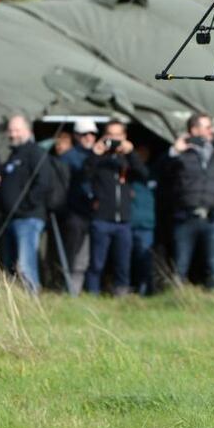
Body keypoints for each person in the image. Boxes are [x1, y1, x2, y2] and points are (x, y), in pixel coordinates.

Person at [167, 113, 214, 290]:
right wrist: (175, 152)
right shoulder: (182, 153)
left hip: (212, 215)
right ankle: (176, 297)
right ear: (194, 130)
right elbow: (164, 174)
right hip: (186, 215)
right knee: (181, 263)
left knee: (213, 264)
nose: (211, 131)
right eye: (207, 127)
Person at [83, 120, 148, 296]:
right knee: (97, 262)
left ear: (125, 137)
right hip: (101, 218)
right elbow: (85, 175)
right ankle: (92, 294)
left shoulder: (127, 159)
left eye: (118, 135)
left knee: (123, 263)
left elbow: (143, 175)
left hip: (124, 221)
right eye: (111, 135)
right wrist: (95, 154)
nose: (115, 139)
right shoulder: (99, 158)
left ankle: (121, 295)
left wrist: (131, 153)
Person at [0, 115, 50, 293]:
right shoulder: (14, 154)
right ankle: (14, 301)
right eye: (11, 130)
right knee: (11, 263)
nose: (13, 134)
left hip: (28, 218)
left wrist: (25, 206)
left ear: (28, 131)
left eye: (17, 130)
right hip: (11, 218)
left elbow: (44, 182)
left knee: (25, 263)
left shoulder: (35, 152)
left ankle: (32, 299)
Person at [59, 118, 99, 294]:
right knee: (71, 254)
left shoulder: (102, 155)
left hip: (95, 214)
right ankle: (66, 288)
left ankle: (78, 290)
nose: (89, 137)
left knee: (86, 257)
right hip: (75, 213)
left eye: (92, 134)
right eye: (84, 134)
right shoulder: (68, 157)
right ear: (76, 136)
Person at [130, 144, 158, 295]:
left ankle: (145, 290)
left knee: (144, 259)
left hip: (146, 224)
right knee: (127, 259)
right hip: (128, 222)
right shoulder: (127, 174)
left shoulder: (152, 173)